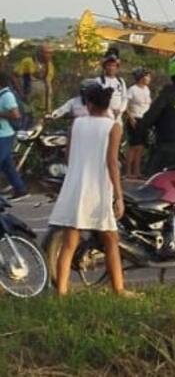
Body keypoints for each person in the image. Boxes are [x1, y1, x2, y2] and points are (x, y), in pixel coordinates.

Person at [48, 81, 127, 297]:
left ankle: (61, 292)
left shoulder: (77, 124)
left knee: (70, 241)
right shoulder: (114, 126)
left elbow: (68, 154)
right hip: (98, 187)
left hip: (75, 185)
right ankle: (118, 288)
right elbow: (112, 162)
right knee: (110, 239)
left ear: (89, 104)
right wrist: (119, 196)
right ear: (107, 105)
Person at [0, 71, 28, 199]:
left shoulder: (7, 96)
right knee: (7, 165)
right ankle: (20, 189)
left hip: (4, 135)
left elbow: (16, 115)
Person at [125, 68, 153, 179]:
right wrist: (130, 117)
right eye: (147, 76)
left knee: (141, 147)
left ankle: (137, 171)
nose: (149, 79)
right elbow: (125, 104)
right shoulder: (132, 89)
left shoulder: (147, 89)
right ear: (141, 78)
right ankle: (128, 171)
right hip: (135, 118)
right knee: (133, 146)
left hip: (144, 119)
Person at [96, 49, 129, 121]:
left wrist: (120, 110)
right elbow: (96, 100)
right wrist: (107, 111)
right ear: (105, 67)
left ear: (117, 67)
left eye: (113, 66)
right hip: (104, 116)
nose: (111, 68)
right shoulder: (98, 81)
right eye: (109, 65)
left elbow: (124, 98)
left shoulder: (121, 81)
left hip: (118, 116)